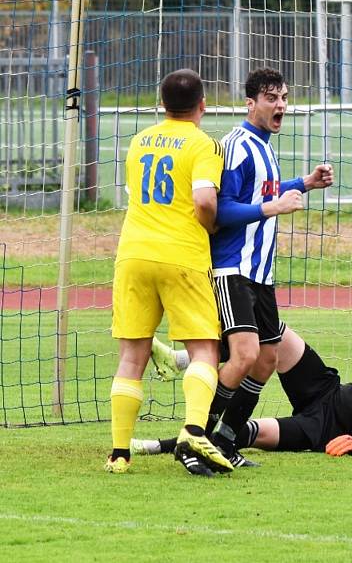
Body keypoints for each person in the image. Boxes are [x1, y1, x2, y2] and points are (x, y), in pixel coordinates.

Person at [153, 67, 334, 468]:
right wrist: (273, 207)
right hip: (230, 268)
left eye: (284, 97)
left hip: (260, 273)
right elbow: (221, 208)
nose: (281, 105)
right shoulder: (235, 145)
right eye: (271, 98)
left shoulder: (265, 146)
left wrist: (303, 183)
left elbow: (264, 192)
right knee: (244, 355)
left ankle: (227, 440)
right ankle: (193, 439)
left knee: (267, 359)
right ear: (250, 103)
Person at [133, 285, 352, 459]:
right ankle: (181, 361)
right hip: (327, 391)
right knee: (274, 334)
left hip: (324, 431)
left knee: (244, 433)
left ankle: (159, 446)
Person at [106, 69, 233, 477]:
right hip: (181, 255)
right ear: (202, 104)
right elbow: (203, 201)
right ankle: (194, 430)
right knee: (204, 351)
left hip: (132, 254)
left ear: (162, 104)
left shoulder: (138, 140)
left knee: (132, 355)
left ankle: (119, 453)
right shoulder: (204, 144)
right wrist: (213, 226)